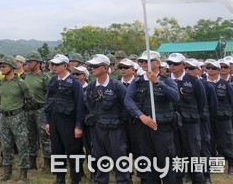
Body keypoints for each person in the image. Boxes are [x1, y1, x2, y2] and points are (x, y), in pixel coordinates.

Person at [124, 50, 179, 184]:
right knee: (147, 162)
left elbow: (175, 97)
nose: (144, 63)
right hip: (143, 127)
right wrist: (141, 116)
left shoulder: (167, 80)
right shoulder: (137, 81)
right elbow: (128, 100)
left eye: (148, 61)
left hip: (162, 127)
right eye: (142, 61)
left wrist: (157, 82)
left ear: (158, 63)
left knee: (166, 161)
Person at [84, 54, 130, 184]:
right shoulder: (91, 86)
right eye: (91, 66)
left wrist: (119, 122)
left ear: (105, 67)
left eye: (95, 66)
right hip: (97, 127)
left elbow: (126, 106)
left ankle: (123, 181)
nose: (92, 68)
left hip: (115, 128)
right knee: (99, 155)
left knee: (119, 155)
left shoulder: (117, 85)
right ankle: (101, 180)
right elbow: (87, 104)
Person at [44, 54, 85, 184]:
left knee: (73, 151)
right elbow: (48, 102)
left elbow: (80, 104)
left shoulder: (74, 82)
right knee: (57, 150)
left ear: (65, 65)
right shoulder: (52, 80)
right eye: (52, 64)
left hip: (69, 122)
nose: (53, 67)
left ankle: (75, 178)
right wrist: (47, 122)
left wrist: (78, 125)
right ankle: (59, 178)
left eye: (57, 64)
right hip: (54, 121)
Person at [166, 53, 206, 184]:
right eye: (170, 63)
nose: (172, 66)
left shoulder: (193, 80)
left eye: (175, 64)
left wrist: (193, 115)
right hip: (171, 123)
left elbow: (202, 102)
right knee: (175, 155)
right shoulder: (164, 80)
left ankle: (198, 180)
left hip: (190, 123)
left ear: (183, 65)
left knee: (193, 154)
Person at [0, 55, 32, 183]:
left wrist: (20, 113)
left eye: (4, 66)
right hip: (4, 117)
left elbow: (29, 100)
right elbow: (0, 97)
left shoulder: (21, 83)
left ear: (12, 68)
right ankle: (7, 171)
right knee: (6, 145)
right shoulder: (1, 82)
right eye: (1, 65)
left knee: (22, 145)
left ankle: (23, 174)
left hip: (18, 117)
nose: (1, 68)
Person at [22, 51, 51, 170]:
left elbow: (49, 95)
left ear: (38, 63)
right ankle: (32, 162)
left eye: (31, 61)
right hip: (28, 110)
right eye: (27, 61)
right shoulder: (25, 76)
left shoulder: (45, 77)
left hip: (41, 110)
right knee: (30, 136)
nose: (28, 64)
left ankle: (47, 163)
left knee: (44, 136)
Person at [206, 59, 233, 175]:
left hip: (223, 118)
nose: (210, 70)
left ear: (217, 70)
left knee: (226, 142)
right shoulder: (202, 83)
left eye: (213, 68)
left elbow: (231, 101)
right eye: (208, 67)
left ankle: (231, 165)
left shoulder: (225, 84)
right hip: (208, 118)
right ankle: (217, 166)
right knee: (211, 141)